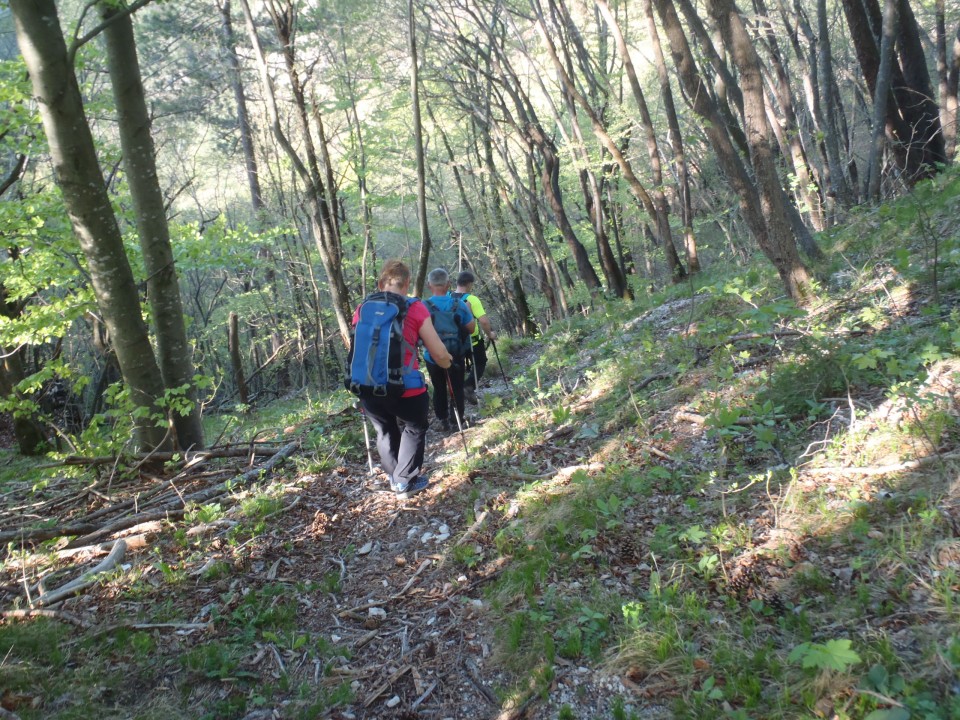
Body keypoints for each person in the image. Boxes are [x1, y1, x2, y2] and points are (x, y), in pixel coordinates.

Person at [353, 260, 452, 499]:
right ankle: (404, 481)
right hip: (405, 386)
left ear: (380, 283)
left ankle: (395, 477)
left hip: (367, 384)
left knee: (384, 429)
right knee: (415, 427)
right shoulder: (416, 308)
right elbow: (438, 352)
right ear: (407, 284)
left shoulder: (362, 308)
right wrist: (447, 362)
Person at [422, 268, 475, 432]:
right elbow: (471, 328)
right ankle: (457, 419)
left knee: (439, 387)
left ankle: (442, 420)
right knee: (457, 387)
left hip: (432, 356)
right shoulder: (458, 304)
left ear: (429, 285)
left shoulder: (423, 307)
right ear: (448, 284)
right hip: (456, 354)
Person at [453, 270, 497, 404]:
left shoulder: (448, 296)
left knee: (457, 369)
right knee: (480, 362)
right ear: (469, 284)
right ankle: (469, 385)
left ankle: (456, 398)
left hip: (453, 341)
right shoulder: (471, 299)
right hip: (472, 340)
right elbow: (483, 321)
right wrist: (490, 334)